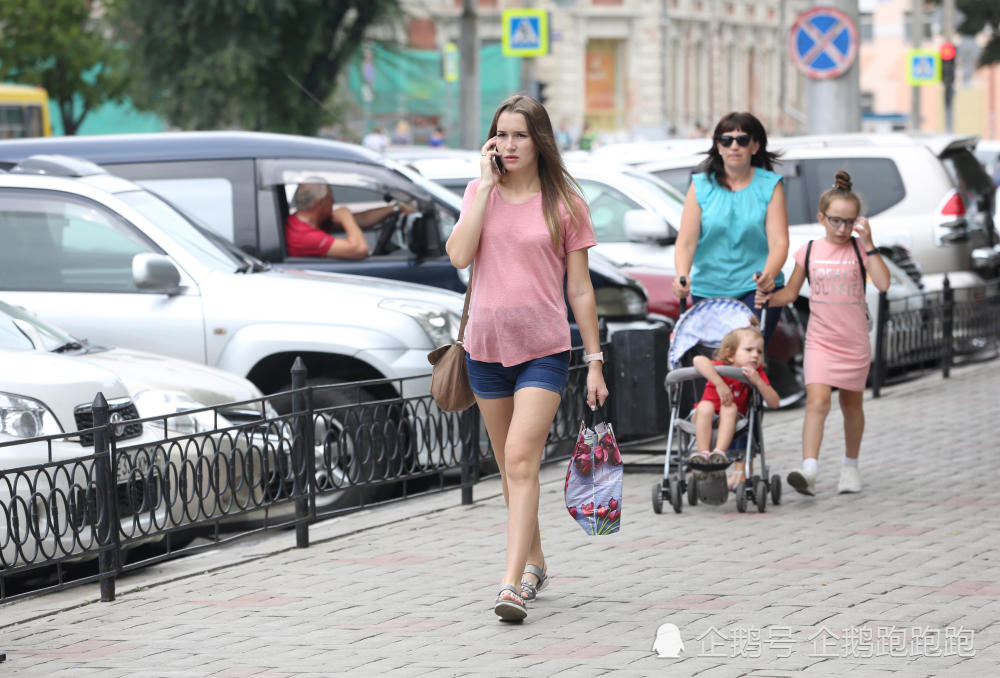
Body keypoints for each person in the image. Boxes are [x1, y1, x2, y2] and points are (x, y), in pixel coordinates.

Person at [445, 94, 609, 623]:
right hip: (485, 351)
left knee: (521, 460)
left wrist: (595, 360)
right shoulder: (479, 192)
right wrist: (486, 188)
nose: (508, 145)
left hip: (543, 351)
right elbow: (458, 256)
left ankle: (511, 584)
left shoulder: (563, 202)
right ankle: (536, 560)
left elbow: (580, 290)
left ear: (539, 140)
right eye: (501, 134)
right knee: (511, 469)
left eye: (519, 135)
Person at [672, 111, 788, 488]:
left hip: (753, 292)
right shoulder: (701, 185)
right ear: (717, 146)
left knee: (748, 376)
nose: (734, 146)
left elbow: (779, 242)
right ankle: (704, 451)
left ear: (756, 146)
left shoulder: (770, 184)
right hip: (709, 292)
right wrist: (682, 275)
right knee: (708, 376)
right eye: (726, 139)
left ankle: (741, 458)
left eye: (742, 139)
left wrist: (769, 274)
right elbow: (687, 241)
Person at [756, 170, 890, 496]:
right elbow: (790, 293)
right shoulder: (810, 250)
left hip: (854, 340)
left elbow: (884, 284)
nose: (843, 228)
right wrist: (767, 296)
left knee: (851, 406)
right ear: (821, 218)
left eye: (849, 221)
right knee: (817, 403)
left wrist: (869, 244)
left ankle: (850, 468)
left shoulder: (860, 250)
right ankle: (810, 470)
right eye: (836, 221)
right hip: (820, 340)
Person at [689, 321, 780, 487]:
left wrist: (758, 382)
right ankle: (703, 453)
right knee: (705, 405)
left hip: (731, 419)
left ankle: (719, 453)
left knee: (730, 407)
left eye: (759, 352)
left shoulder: (755, 373)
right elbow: (698, 360)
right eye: (749, 350)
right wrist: (719, 383)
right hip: (703, 417)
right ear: (730, 355)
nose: (755, 355)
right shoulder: (721, 366)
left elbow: (774, 402)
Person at [285, 179, 415, 259]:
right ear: (320, 203)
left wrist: (396, 207)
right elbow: (360, 250)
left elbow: (362, 219)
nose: (334, 201)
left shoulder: (306, 221)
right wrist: (346, 216)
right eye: (330, 198)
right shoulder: (303, 236)